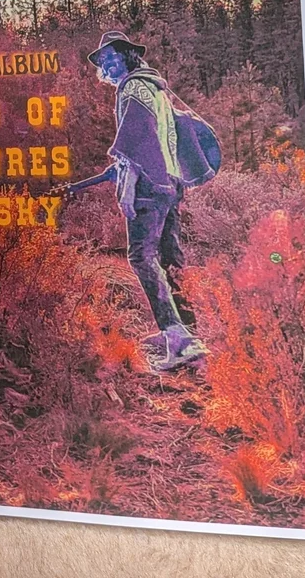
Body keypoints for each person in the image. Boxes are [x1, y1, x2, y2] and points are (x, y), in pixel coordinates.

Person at [64, 31, 220, 372]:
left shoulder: (133, 88)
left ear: (128, 56)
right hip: (169, 184)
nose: (106, 64)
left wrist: (128, 189)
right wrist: (114, 172)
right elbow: (159, 140)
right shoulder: (154, 87)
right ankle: (186, 330)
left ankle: (177, 338)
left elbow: (138, 143)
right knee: (169, 257)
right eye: (102, 60)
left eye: (111, 57)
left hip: (149, 186)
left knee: (141, 256)